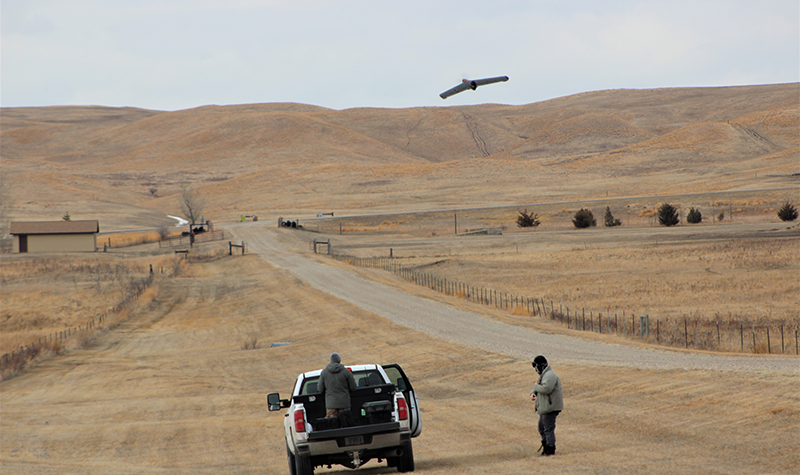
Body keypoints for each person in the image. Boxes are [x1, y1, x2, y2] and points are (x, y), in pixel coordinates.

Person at [530, 355, 563, 456]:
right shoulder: (545, 374)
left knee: (548, 429)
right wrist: (533, 392)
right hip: (545, 407)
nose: (536, 370)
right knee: (542, 427)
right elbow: (539, 385)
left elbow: (546, 388)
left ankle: (550, 450)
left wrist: (536, 386)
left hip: (550, 407)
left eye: (536, 366)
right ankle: (545, 448)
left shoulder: (549, 375)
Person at [317, 352, 357, 419]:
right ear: (339, 360)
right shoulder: (346, 372)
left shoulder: (324, 373)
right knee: (345, 422)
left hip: (331, 405)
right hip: (344, 404)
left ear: (330, 360)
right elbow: (353, 387)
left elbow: (320, 389)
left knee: (332, 423)